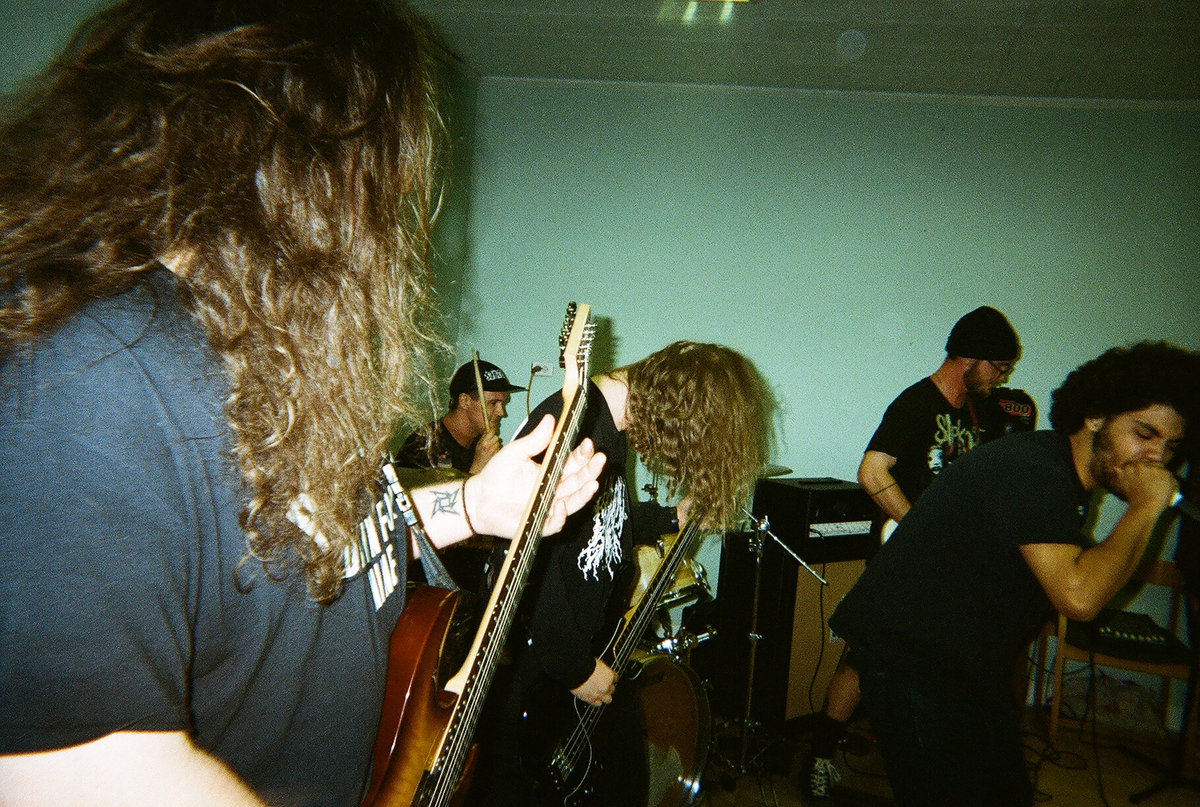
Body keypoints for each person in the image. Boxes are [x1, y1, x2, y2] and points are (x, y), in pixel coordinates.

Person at [0, 3, 605, 807]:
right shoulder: (90, 364)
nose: (392, 203)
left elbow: (321, 551)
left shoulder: (281, 353)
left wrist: (470, 505)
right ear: (290, 156)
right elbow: (78, 774)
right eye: (377, 163)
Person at [827, 341, 1200, 807]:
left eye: (1171, 446)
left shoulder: (1058, 472)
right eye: (1144, 434)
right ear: (1095, 416)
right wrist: (1146, 507)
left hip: (965, 666)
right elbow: (1079, 598)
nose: (1157, 458)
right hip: (913, 659)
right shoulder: (1034, 471)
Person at [468, 340, 774, 806]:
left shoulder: (612, 422)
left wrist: (672, 516)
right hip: (537, 671)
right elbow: (523, 567)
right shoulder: (570, 427)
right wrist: (574, 668)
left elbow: (605, 522)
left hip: (581, 650)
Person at [807, 305, 1034, 798]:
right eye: (998, 367)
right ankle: (817, 756)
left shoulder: (982, 411)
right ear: (970, 358)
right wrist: (921, 529)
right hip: (906, 558)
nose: (1002, 377)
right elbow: (872, 472)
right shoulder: (916, 403)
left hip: (955, 566)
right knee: (865, 657)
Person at [395, 358, 525, 476]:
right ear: (464, 401)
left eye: (503, 403)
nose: (501, 412)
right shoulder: (422, 446)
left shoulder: (483, 443)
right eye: (493, 403)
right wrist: (477, 468)